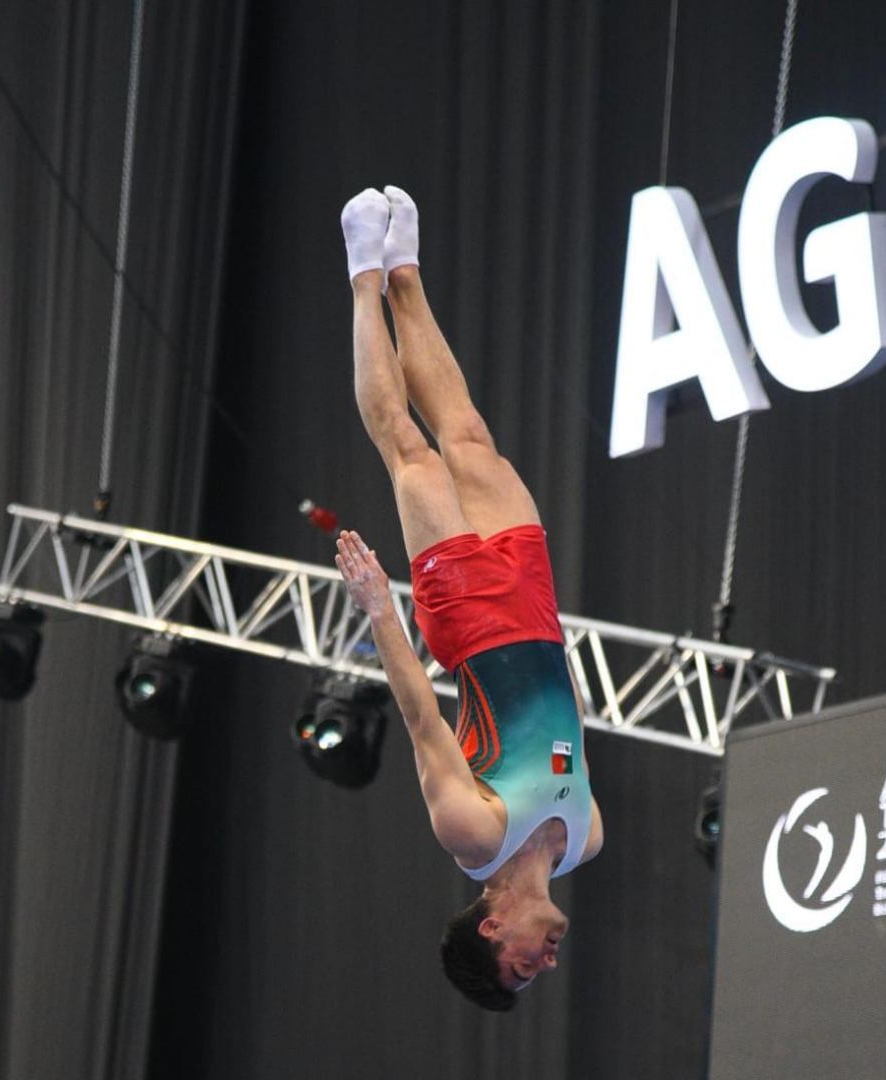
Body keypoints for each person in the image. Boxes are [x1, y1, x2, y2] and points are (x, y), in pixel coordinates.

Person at [333, 186, 604, 1011]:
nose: (544, 960)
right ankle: (407, 272)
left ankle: (363, 280)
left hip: (467, 623)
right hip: (533, 608)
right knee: (471, 435)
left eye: (523, 966)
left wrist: (383, 610)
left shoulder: (473, 836)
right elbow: (566, 716)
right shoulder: (586, 840)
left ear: (491, 930)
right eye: (540, 972)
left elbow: (421, 719)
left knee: (407, 446)